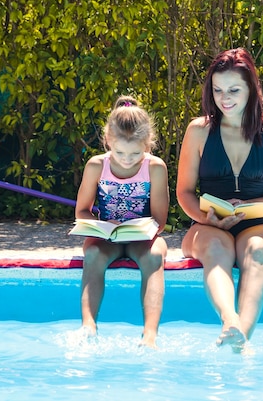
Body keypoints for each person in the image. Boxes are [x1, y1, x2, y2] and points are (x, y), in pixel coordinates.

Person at [176, 48, 263, 350]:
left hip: (257, 223)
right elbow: (184, 192)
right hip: (208, 224)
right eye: (217, 90)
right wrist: (206, 218)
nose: (224, 98)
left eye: (233, 90)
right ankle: (230, 321)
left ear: (251, 89)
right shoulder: (199, 131)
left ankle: (241, 336)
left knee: (256, 251)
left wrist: (254, 208)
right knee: (217, 248)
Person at [75, 95, 169, 348]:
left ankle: (149, 335)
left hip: (142, 236)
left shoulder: (155, 167)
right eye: (119, 152)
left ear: (148, 145)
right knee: (93, 255)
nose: (127, 159)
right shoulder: (96, 166)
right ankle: (88, 326)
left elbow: (160, 219)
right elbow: (82, 211)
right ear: (107, 141)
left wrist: (143, 229)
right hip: (107, 236)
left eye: (135, 153)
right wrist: (102, 227)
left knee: (155, 257)